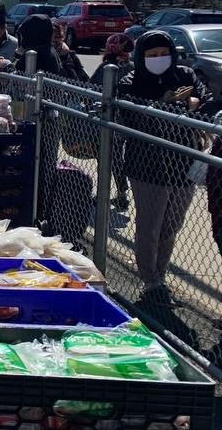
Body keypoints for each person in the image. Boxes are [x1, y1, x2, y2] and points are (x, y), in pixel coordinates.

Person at [119, 31, 217, 310]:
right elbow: (135, 113)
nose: (159, 59)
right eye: (151, 55)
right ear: (141, 57)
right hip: (147, 164)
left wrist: (192, 103)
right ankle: (150, 280)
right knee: (150, 225)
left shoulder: (184, 73)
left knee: (172, 224)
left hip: (183, 162)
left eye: (164, 53)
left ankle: (160, 274)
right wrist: (172, 105)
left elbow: (207, 101)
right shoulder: (132, 79)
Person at [92, 33, 135, 209]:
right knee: (119, 160)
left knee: (105, 158)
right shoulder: (132, 66)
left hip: (109, 120)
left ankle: (103, 194)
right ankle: (122, 194)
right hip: (129, 121)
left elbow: (90, 88)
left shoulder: (106, 67)